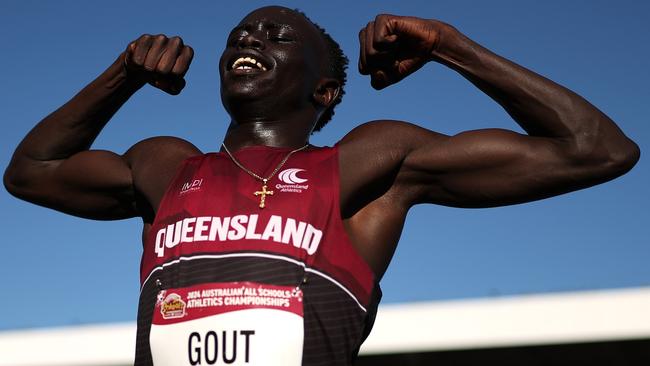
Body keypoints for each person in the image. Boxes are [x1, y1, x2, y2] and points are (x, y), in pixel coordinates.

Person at [4, 5, 639, 366]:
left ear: (325, 90)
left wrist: (449, 45)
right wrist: (120, 76)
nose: (251, 38)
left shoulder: (370, 163)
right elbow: (30, 172)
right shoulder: (166, 167)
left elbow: (596, 150)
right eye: (241, 35)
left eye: (277, 36)